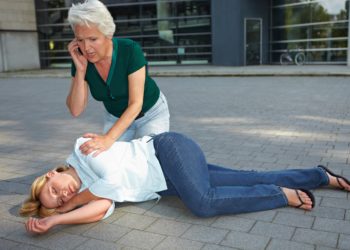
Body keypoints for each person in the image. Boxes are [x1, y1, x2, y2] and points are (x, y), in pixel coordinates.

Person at [20, 132, 350, 234]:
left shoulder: (82, 147)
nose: (64, 194)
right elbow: (103, 206)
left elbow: (116, 179)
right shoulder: (89, 193)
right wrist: (57, 219)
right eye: (59, 199)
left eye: (54, 190)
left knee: (203, 203)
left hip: (168, 150)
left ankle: (280, 195)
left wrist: (72, 203)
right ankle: (319, 175)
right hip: (172, 179)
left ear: (52, 173)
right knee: (247, 178)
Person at [66, 0, 170, 157]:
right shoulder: (81, 60)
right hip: (116, 118)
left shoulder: (129, 50)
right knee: (105, 158)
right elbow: (75, 110)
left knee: (148, 159)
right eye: (80, 40)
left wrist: (108, 138)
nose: (86, 48)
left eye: (93, 39)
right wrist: (80, 71)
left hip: (150, 114)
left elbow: (136, 104)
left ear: (107, 34)